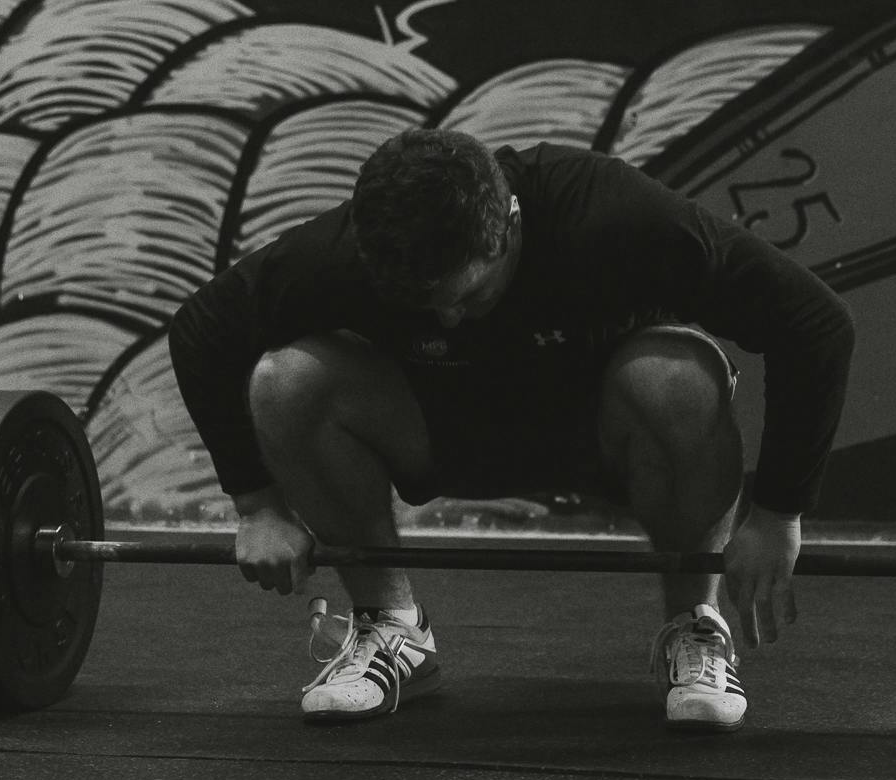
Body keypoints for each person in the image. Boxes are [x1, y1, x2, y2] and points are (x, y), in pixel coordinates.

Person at [167, 127, 854, 730]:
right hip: (442, 429)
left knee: (678, 376)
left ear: (512, 225)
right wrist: (257, 505)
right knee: (286, 381)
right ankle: (392, 630)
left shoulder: (609, 213)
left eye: (469, 294)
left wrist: (777, 514)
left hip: (602, 435)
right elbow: (203, 328)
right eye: (427, 304)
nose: (450, 318)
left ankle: (694, 626)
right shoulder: (352, 248)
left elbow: (814, 321)